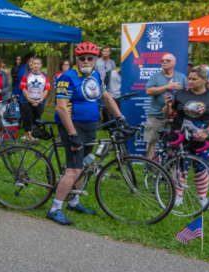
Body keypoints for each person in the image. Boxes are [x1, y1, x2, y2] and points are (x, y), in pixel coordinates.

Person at [49, 42, 124, 225]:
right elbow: (61, 108)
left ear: (95, 60)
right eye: (82, 58)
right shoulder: (67, 77)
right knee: (73, 170)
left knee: (83, 166)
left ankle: (73, 202)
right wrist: (73, 134)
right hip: (73, 127)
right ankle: (55, 208)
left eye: (90, 58)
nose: (86, 61)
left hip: (90, 126)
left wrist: (120, 117)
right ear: (76, 59)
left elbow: (106, 97)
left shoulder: (96, 74)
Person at [163, 66, 209, 208]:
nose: (190, 81)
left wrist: (207, 132)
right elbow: (167, 113)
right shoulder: (180, 94)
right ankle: (178, 195)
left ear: (204, 80)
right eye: (189, 78)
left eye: (194, 79)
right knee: (180, 167)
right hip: (181, 138)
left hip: (204, 140)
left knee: (201, 168)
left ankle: (202, 198)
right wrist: (167, 106)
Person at [145, 53, 187, 160]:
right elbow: (148, 91)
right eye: (162, 60)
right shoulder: (155, 77)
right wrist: (168, 86)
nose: (164, 62)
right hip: (156, 116)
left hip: (175, 117)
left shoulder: (181, 77)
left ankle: (170, 169)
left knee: (173, 143)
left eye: (168, 60)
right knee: (151, 141)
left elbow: (188, 93)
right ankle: (150, 166)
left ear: (174, 62)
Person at [20, 57, 51, 140]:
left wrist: (40, 100)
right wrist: (29, 99)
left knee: (37, 120)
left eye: (38, 64)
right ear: (31, 65)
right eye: (34, 63)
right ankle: (27, 138)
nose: (36, 65)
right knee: (28, 119)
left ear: (41, 65)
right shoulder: (26, 75)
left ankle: (36, 138)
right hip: (28, 101)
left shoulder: (45, 76)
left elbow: (46, 89)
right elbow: (24, 88)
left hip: (40, 102)